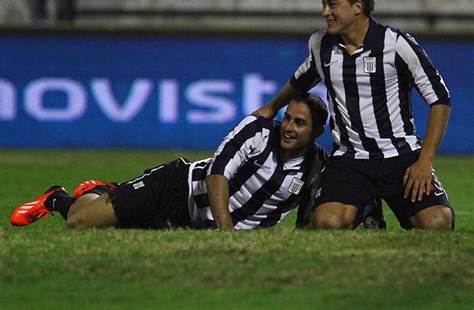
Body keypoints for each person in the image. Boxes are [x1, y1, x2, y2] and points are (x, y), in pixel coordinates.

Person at [256, 0, 454, 231]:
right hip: (350, 160)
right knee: (326, 223)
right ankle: (367, 209)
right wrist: (271, 108)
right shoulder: (321, 45)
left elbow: (440, 100)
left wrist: (425, 161)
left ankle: (371, 204)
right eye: (324, 4)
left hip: (401, 158)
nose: (325, 11)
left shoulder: (396, 45)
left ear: (357, 8)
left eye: (333, 4)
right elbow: (300, 80)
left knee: (437, 224)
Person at [12, 94, 381, 231]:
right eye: (287, 117)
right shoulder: (257, 131)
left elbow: (317, 212)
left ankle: (102, 190)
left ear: (316, 133)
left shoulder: (317, 166)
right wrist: (226, 232)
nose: (288, 127)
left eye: (299, 123)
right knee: (80, 221)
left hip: (188, 225)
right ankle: (57, 197)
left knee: (112, 226)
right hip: (177, 189)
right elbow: (218, 173)